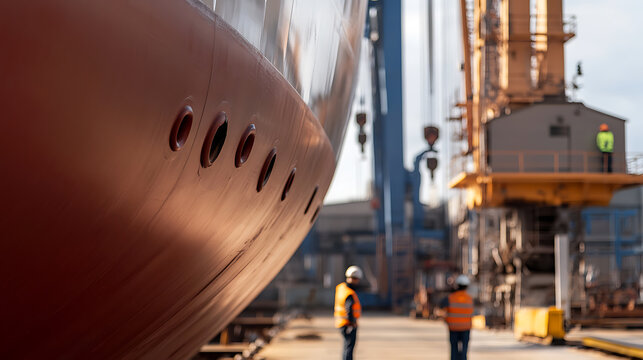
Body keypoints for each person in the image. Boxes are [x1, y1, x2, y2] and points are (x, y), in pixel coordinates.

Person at [439, 275, 473, 360]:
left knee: (454, 350)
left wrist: (446, 319)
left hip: (453, 327)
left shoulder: (450, 298)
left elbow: (441, 309)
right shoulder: (469, 299)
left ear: (457, 285)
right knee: (464, 351)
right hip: (466, 328)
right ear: (467, 286)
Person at [334, 266, 363, 360]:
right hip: (348, 324)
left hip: (341, 323)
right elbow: (349, 309)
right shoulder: (349, 293)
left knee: (346, 347)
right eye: (356, 279)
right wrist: (352, 323)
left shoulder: (341, 288)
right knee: (349, 348)